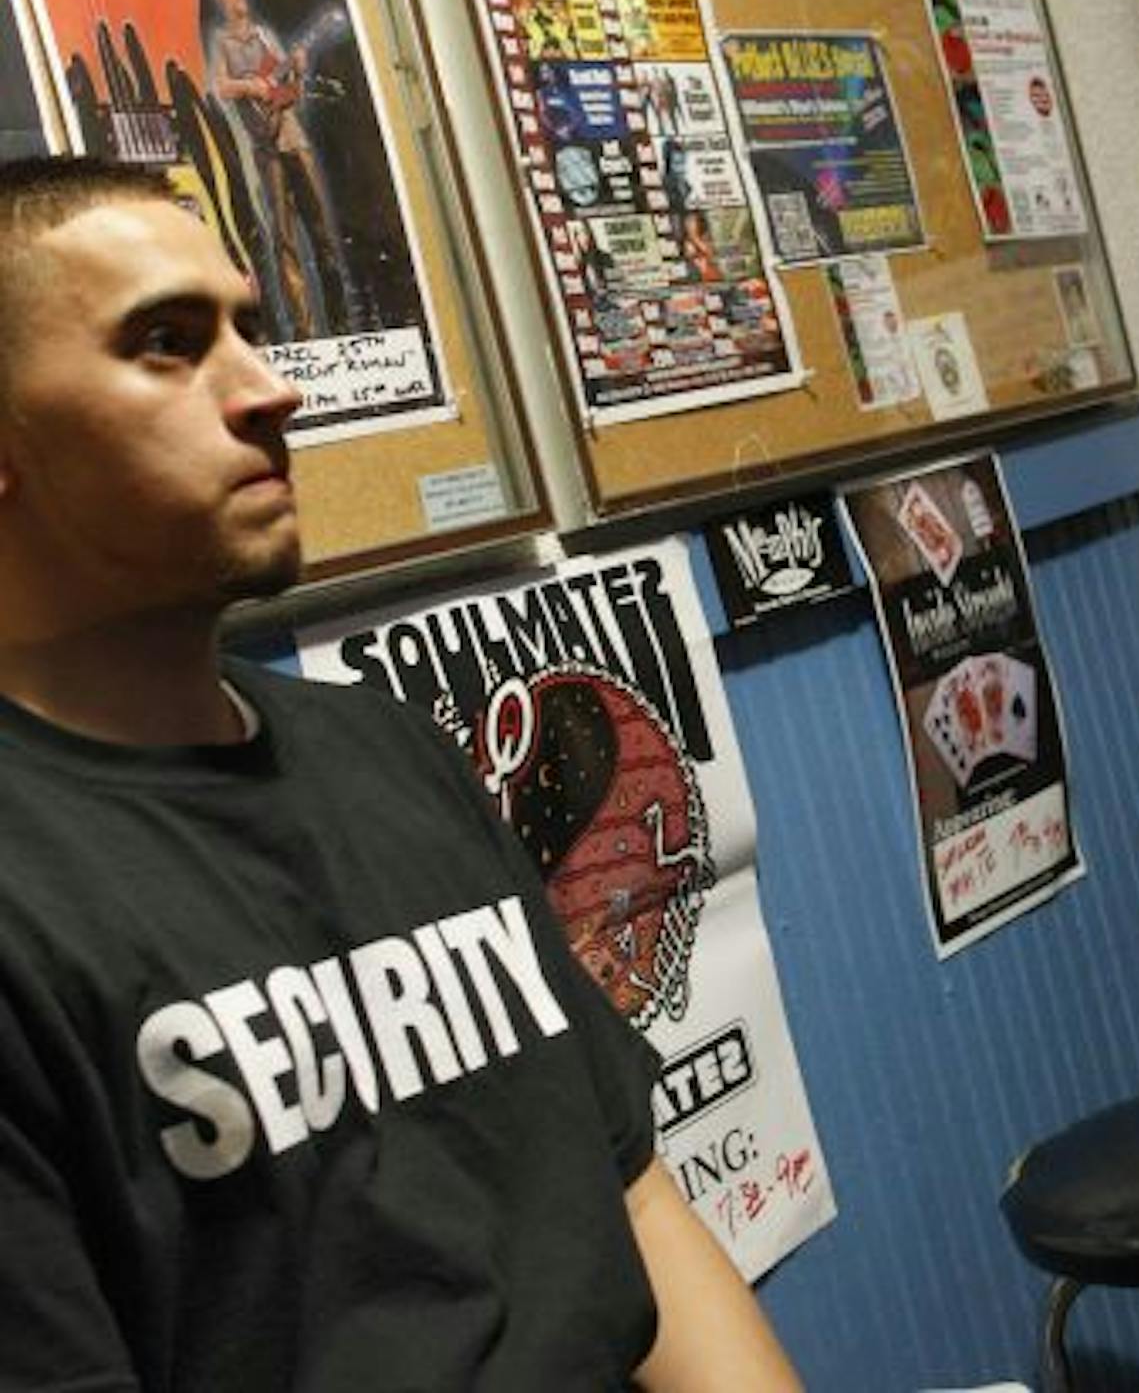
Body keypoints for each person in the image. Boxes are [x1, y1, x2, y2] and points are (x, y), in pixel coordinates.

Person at [0, 157, 800, 1391]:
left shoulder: (380, 748)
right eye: (166, 343)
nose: (270, 390)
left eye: (254, 330)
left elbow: (631, 1197)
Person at [205, 0, 353, 341]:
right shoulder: (222, 42)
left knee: (321, 231)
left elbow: (289, 93)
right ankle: (304, 331)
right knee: (284, 242)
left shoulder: (265, 35)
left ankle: (341, 323)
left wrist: (298, 70)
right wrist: (250, 86)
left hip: (293, 140)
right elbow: (221, 87)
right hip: (265, 150)